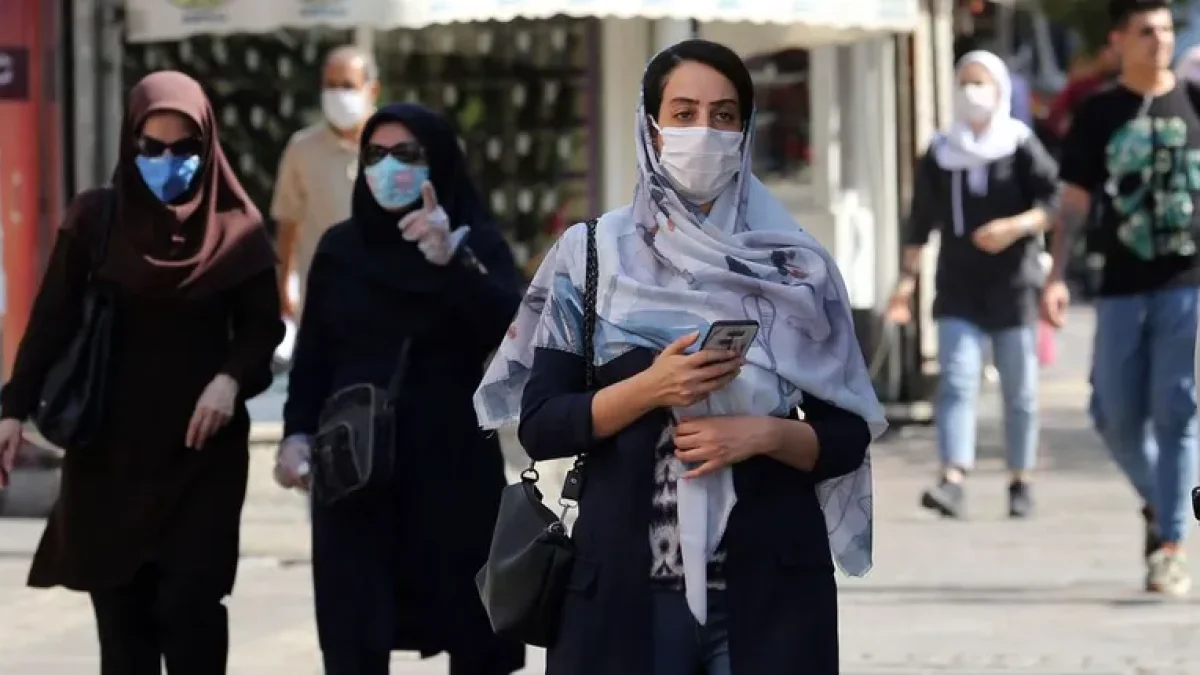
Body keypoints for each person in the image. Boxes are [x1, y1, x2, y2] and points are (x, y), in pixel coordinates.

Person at [474, 39, 884, 675]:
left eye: (724, 116)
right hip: (626, 596)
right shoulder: (591, 256)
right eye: (684, 113)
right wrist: (653, 387)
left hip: (769, 593)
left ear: (745, 130)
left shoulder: (796, 267)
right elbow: (543, 426)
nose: (704, 132)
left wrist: (764, 435)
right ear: (651, 127)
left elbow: (848, 436)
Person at [0, 71, 283, 673]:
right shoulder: (95, 219)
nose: (167, 161)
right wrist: (12, 410)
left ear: (208, 145)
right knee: (122, 626)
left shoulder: (238, 229)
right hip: (109, 457)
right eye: (152, 147)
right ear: (130, 143)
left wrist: (230, 379)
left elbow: (263, 329)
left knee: (191, 608)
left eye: (184, 148)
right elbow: (51, 320)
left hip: (201, 454)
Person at [274, 103, 525, 674]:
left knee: (474, 636)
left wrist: (452, 261)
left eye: (407, 154)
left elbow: (512, 332)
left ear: (438, 162)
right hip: (356, 469)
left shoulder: (474, 243)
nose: (390, 167)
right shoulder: (340, 251)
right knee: (354, 636)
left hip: (452, 470)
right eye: (376, 155)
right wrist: (295, 435)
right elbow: (313, 360)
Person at [1044, 0, 1199, 597]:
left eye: (1166, 29)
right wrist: (1056, 276)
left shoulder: (1195, 100)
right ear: (1118, 41)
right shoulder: (1099, 111)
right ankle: (1164, 503)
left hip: (1186, 283)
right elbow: (1074, 203)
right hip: (1120, 286)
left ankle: (1171, 546)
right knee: (1111, 414)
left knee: (1176, 410)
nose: (1159, 40)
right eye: (1146, 31)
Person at [886, 50, 1060, 520]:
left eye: (981, 83)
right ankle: (953, 478)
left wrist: (1015, 227)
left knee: (1019, 391)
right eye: (965, 82)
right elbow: (920, 221)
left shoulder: (1019, 144)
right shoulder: (942, 151)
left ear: (1000, 90)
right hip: (958, 285)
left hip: (1014, 285)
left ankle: (1020, 478)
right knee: (958, 381)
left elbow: (1053, 202)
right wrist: (905, 284)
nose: (972, 93)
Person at [272, 45, 379, 319]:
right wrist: (283, 286)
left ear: (372, 90)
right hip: (322, 301)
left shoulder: (396, 147)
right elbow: (288, 222)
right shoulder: (302, 149)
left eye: (348, 86)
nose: (338, 94)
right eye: (330, 86)